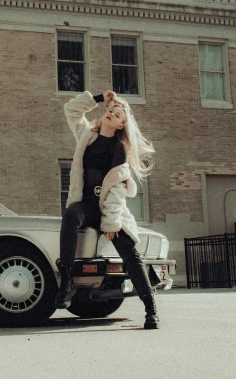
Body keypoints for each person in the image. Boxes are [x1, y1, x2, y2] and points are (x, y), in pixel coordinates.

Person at [56, 90, 159, 329]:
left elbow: (116, 189)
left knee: (128, 250)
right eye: (110, 111)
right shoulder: (86, 135)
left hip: (109, 209)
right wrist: (100, 97)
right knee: (70, 215)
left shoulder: (118, 148)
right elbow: (71, 109)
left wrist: (111, 223)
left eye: (117, 114)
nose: (111, 114)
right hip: (86, 206)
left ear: (122, 124)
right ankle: (67, 282)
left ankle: (150, 307)